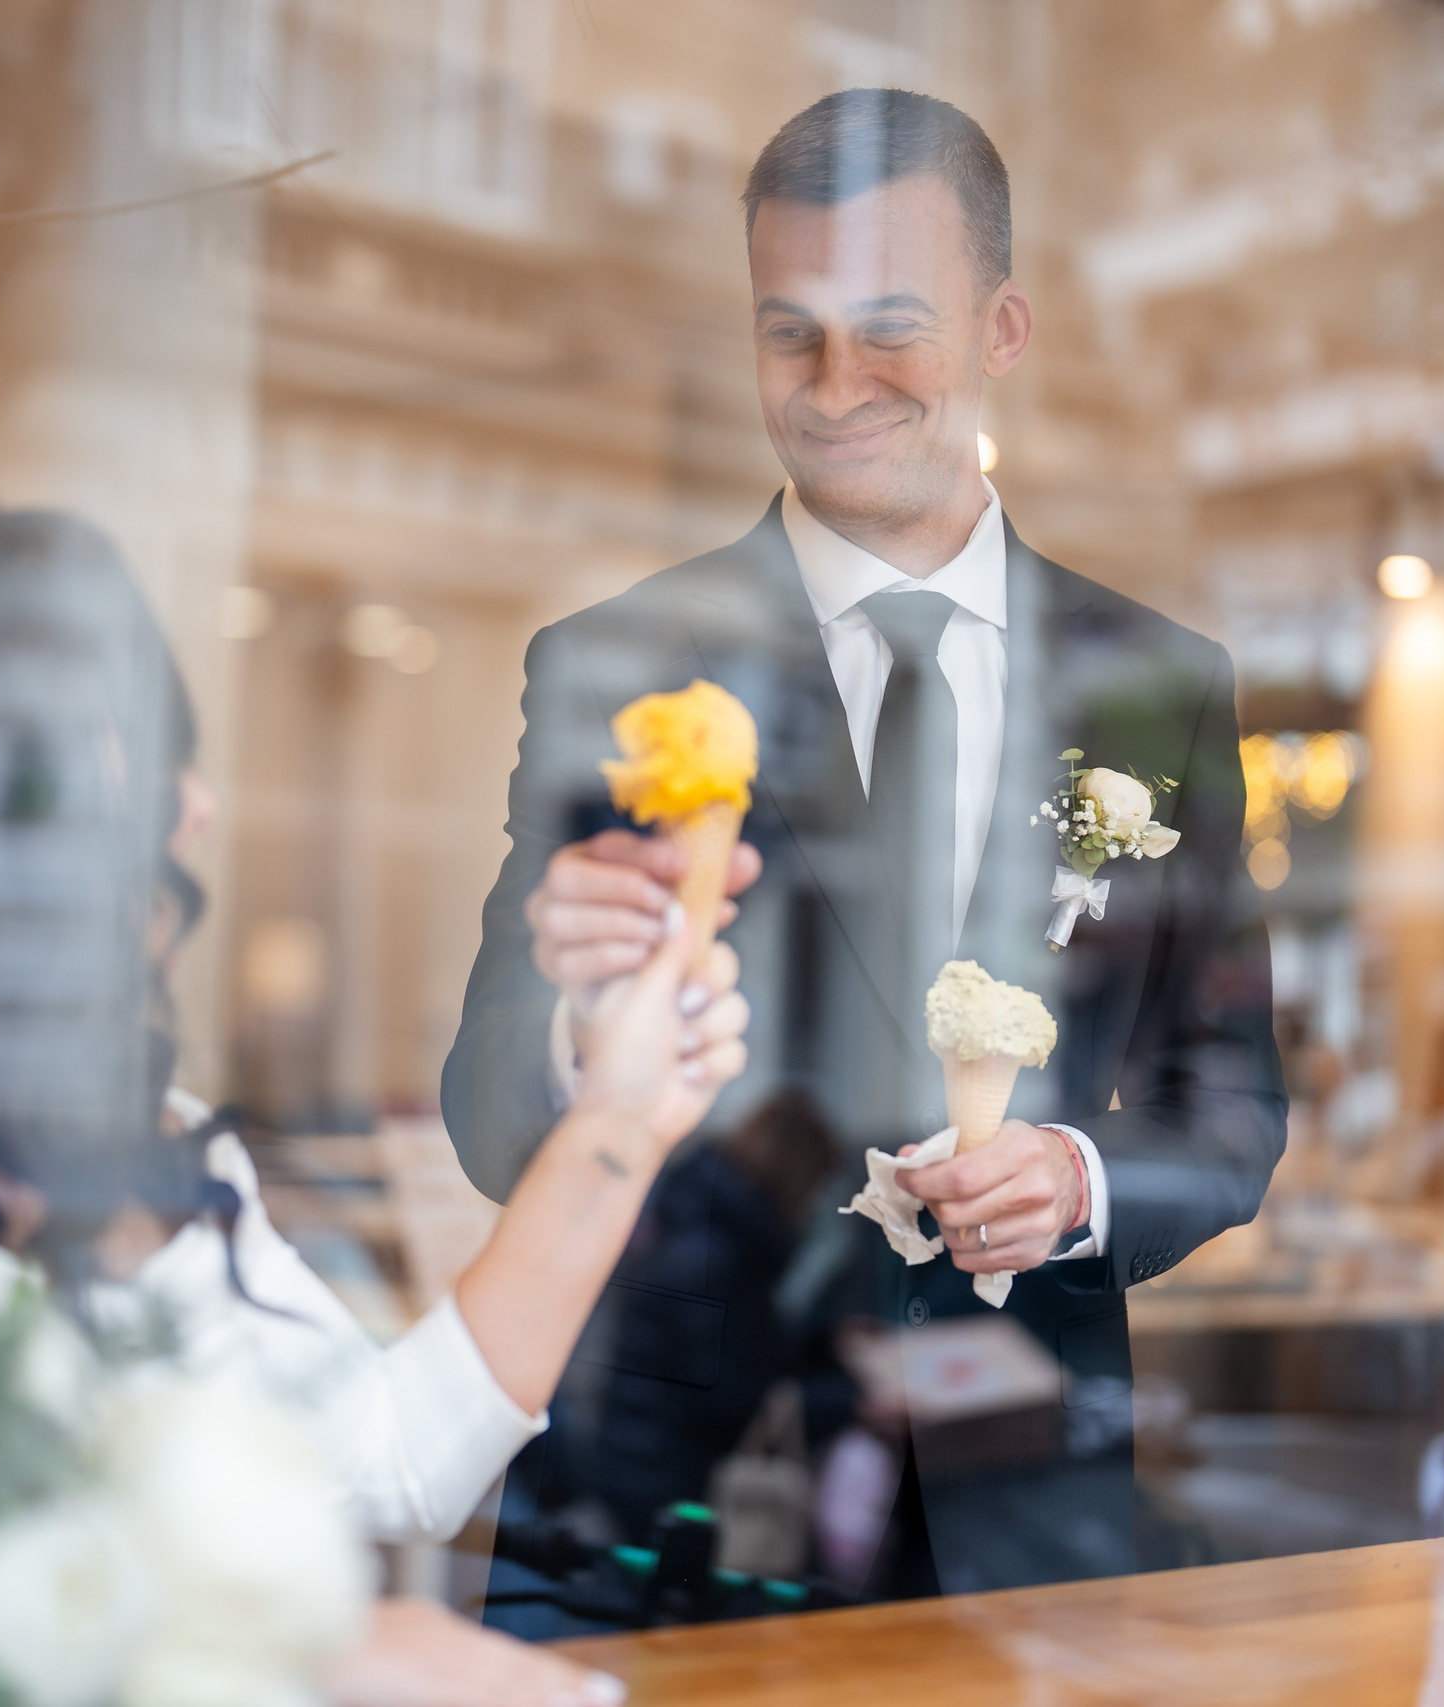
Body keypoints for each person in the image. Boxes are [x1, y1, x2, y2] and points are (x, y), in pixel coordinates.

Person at [0, 438, 748, 1705]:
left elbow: (391, 1461)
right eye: (146, 745)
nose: (198, 807)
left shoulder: (136, 1140)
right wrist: (319, 1666)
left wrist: (619, 1119)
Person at [443, 88, 1285, 1600]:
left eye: (890, 323)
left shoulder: (1157, 688)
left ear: (1004, 329)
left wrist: (1081, 1177)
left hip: (1019, 1491)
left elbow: (1226, 1109)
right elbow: (486, 1104)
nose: (834, 382)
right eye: (789, 330)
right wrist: (588, 1034)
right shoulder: (621, 660)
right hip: (668, 1488)